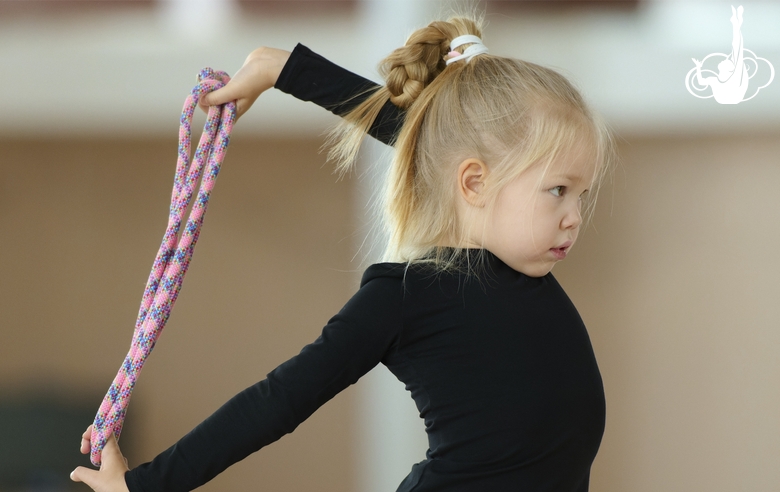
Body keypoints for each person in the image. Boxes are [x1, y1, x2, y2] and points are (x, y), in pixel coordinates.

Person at [71, 14, 614, 492]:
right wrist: (144, 487)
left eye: (581, 194)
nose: (575, 216)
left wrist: (283, 70)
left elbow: (433, 144)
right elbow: (277, 402)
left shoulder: (523, 266)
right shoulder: (404, 297)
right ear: (474, 184)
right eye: (558, 190)